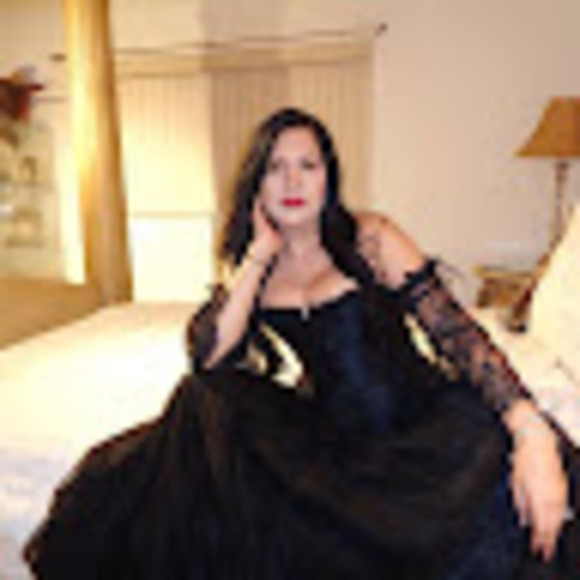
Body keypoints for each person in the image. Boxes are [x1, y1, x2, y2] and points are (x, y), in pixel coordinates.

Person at [24, 107, 579, 579]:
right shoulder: (257, 268)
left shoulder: (371, 238)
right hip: (332, 439)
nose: (292, 183)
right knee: (206, 401)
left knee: (491, 508)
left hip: (420, 428)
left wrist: (529, 430)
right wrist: (258, 255)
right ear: (256, 183)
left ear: (328, 178)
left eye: (307, 166)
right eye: (275, 168)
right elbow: (207, 357)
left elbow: (456, 334)